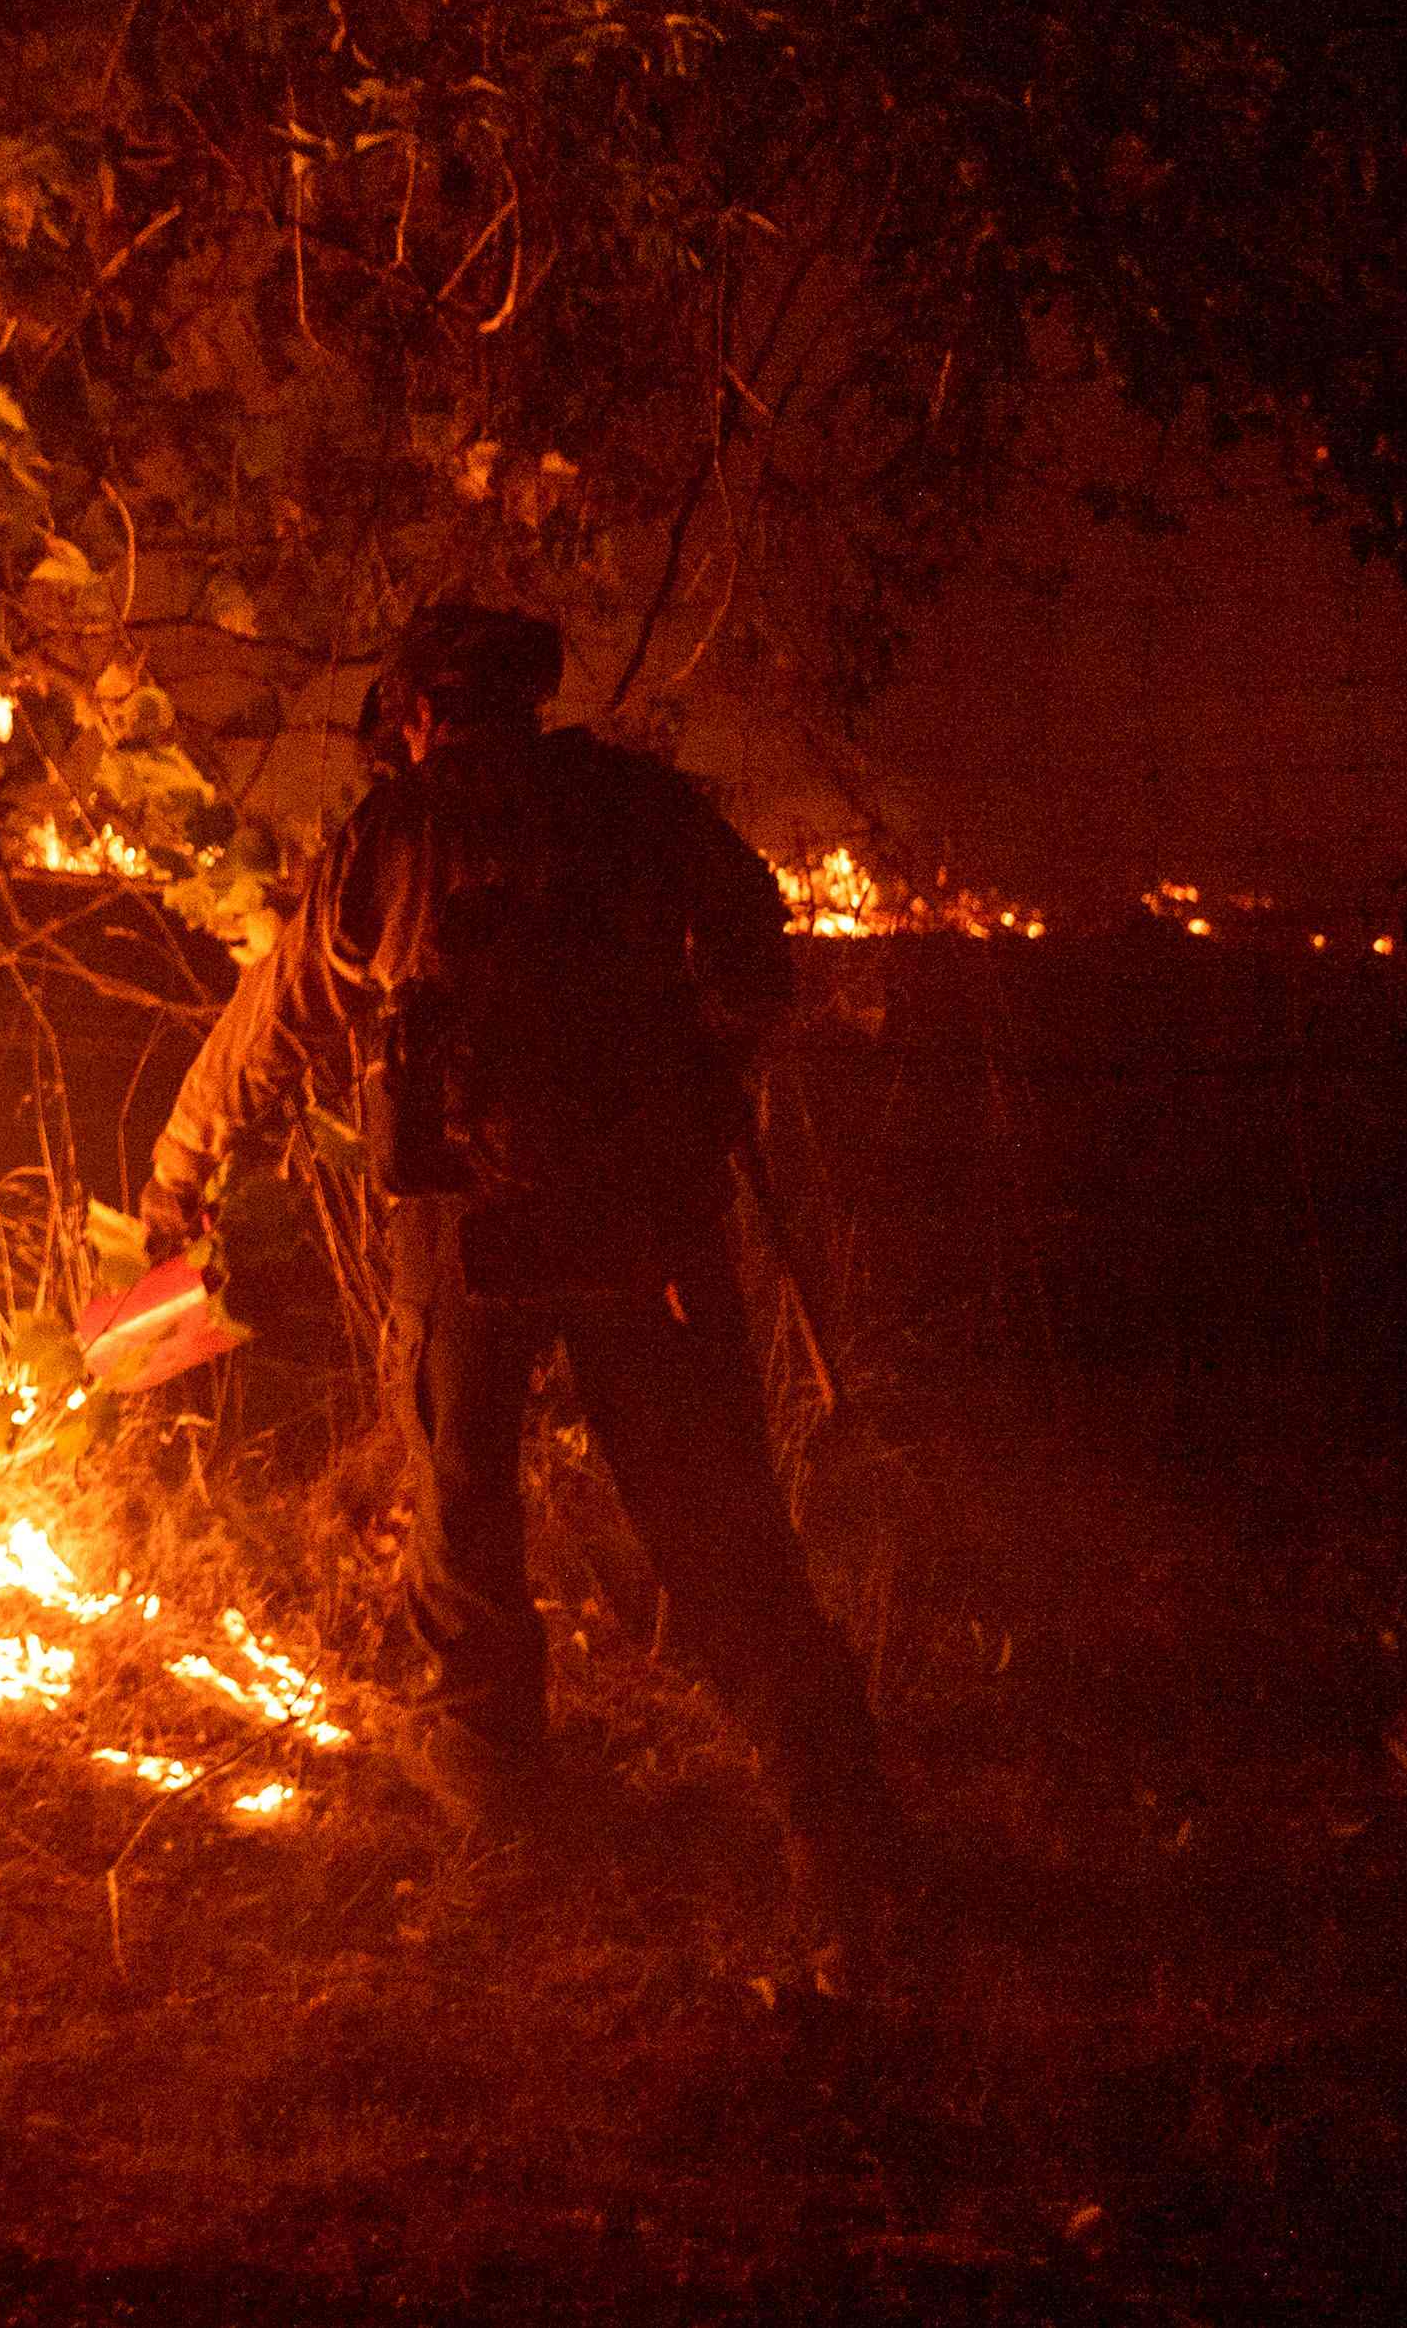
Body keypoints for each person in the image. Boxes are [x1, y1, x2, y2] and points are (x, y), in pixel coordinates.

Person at [131, 601, 894, 1953]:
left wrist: (170, 1188)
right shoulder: (638, 808)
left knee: (462, 1514)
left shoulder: (389, 838)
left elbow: (266, 1031)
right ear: (524, 698)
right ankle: (838, 1826)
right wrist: (701, 1086)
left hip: (460, 1234)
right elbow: (752, 951)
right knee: (718, 1528)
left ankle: (499, 1803)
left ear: (413, 710)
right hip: (646, 1225)